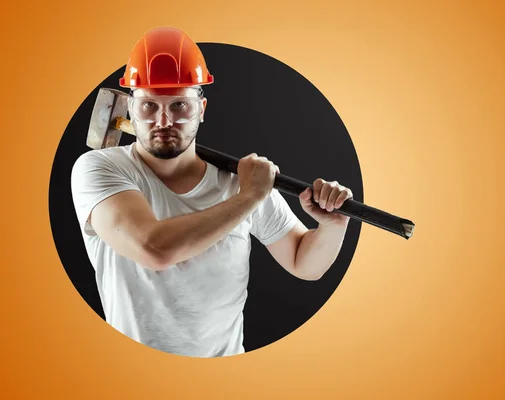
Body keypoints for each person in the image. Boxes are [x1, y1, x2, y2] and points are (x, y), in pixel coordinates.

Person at [70, 26, 353, 357]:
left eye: (180, 105)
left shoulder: (239, 183)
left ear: (201, 111)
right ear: (130, 109)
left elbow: (304, 263)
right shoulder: (100, 169)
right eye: (149, 106)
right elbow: (154, 249)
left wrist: (333, 225)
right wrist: (248, 198)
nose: (164, 120)